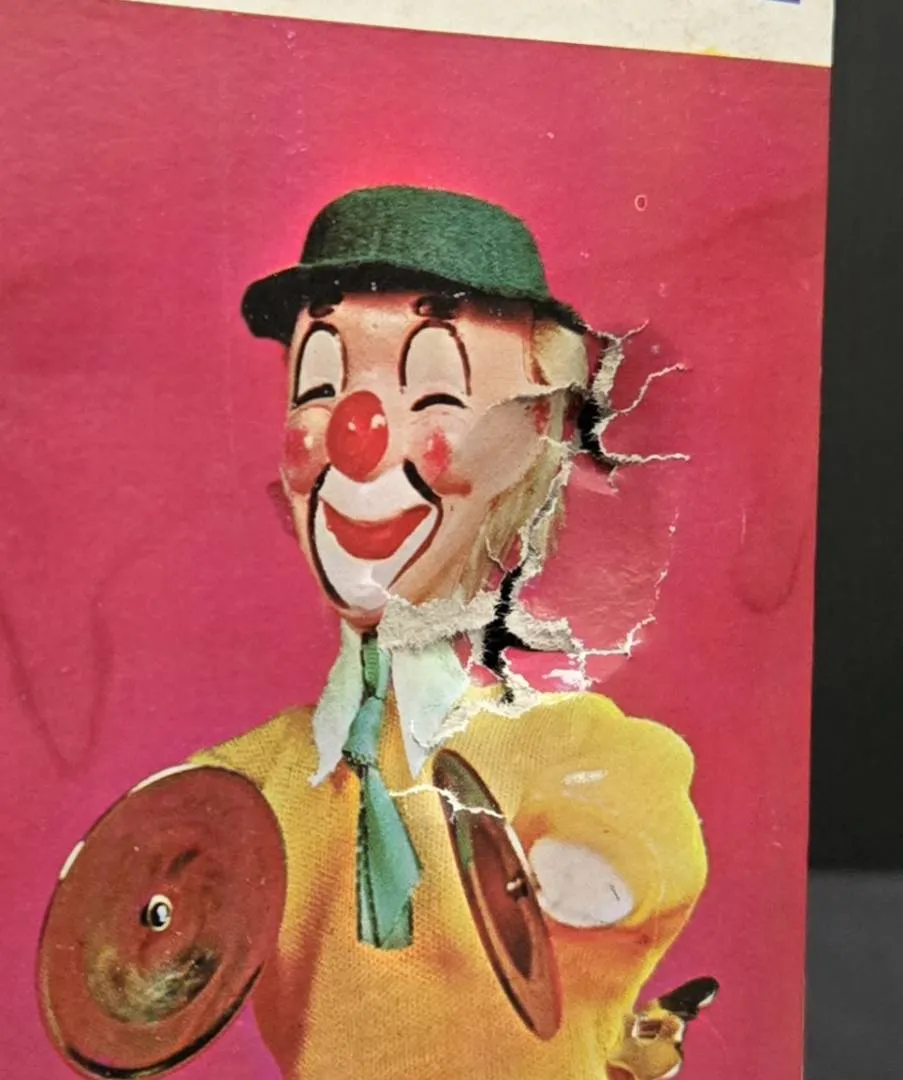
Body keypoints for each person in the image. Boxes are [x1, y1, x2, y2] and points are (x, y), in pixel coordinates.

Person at [192, 185, 709, 1079]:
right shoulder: (249, 788)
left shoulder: (578, 753)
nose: (356, 436)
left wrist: (595, 865)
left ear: (535, 433)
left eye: (435, 390)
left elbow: (641, 851)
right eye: (321, 384)